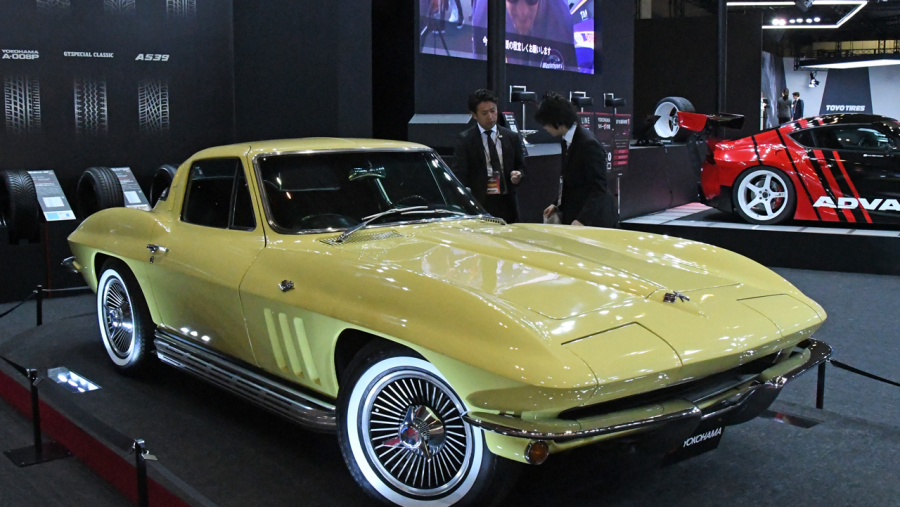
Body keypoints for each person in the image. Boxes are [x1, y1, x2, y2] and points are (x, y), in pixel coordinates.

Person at [535, 91, 617, 228]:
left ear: (557, 120)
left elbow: (599, 188)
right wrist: (557, 204)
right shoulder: (566, 139)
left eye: (545, 123)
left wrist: (582, 220)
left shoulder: (588, 144)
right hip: (574, 213)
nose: (544, 128)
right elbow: (569, 181)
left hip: (594, 220)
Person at [452, 89, 526, 223]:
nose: (490, 117)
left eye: (493, 111)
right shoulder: (465, 140)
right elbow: (460, 174)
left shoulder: (511, 137)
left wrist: (518, 174)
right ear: (474, 115)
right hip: (481, 203)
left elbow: (521, 166)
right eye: (484, 113)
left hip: (507, 202)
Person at [471, 0, 576, 71]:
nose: (523, 12)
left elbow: (570, 81)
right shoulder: (483, 16)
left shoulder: (561, 21)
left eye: (530, 0)